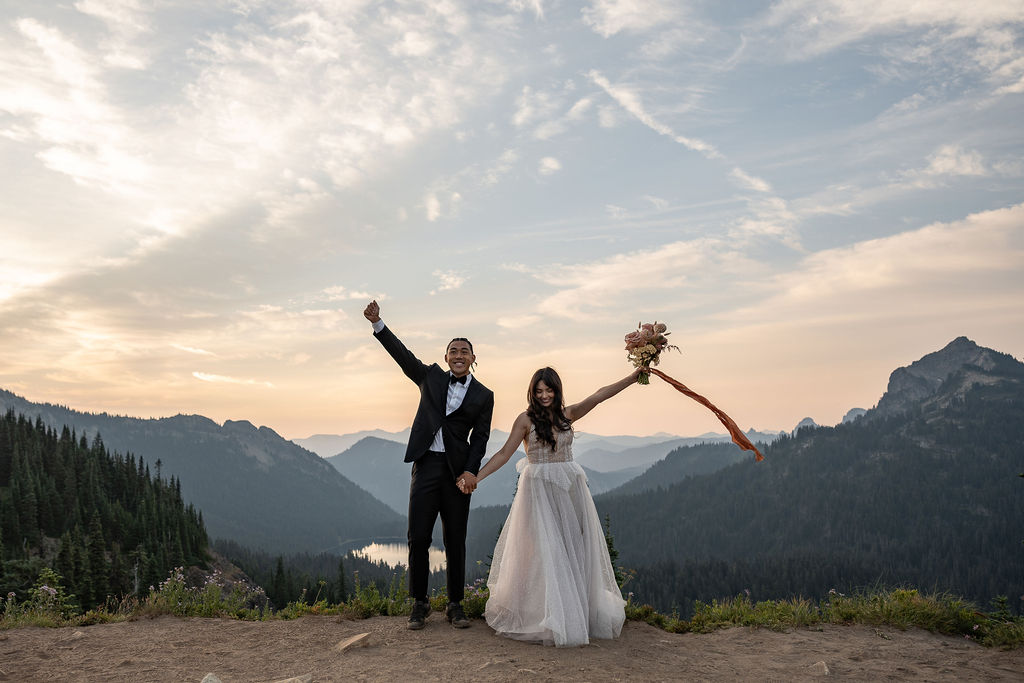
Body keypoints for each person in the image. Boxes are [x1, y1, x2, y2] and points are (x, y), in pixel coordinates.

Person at [471, 366, 640, 647]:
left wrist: (633, 377)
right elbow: (503, 453)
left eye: (549, 390)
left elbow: (599, 396)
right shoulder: (525, 420)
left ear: (557, 390)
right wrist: (477, 477)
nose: (544, 395)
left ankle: (575, 613)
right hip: (538, 491)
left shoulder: (567, 414)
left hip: (570, 488)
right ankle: (543, 614)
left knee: (572, 547)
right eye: (539, 391)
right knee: (541, 551)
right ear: (532, 392)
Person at [363, 300, 494, 630]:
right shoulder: (431, 376)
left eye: (465, 351)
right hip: (425, 466)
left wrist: (471, 471)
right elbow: (403, 357)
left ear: (473, 359)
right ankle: (419, 604)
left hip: (457, 474)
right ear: (447, 356)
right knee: (418, 537)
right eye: (454, 351)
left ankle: (455, 605)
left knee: (455, 540)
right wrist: (379, 323)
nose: (459, 355)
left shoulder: (484, 395)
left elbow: (480, 438)